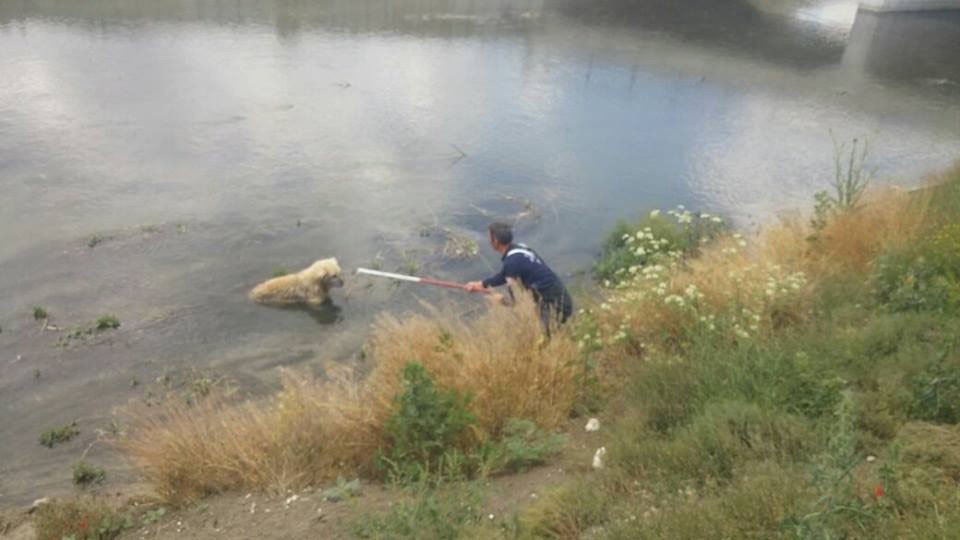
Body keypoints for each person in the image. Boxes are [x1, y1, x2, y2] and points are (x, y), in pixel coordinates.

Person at [465, 222, 573, 332]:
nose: (488, 241)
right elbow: (504, 275)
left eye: (489, 238)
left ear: (496, 241)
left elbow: (517, 302)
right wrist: (480, 284)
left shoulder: (511, 262)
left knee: (539, 338)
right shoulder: (521, 248)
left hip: (555, 308)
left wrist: (499, 299)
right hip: (562, 299)